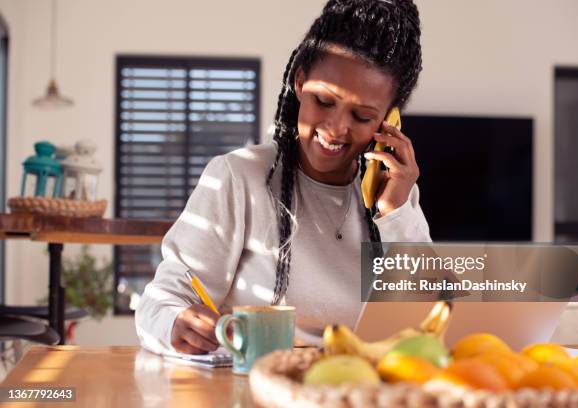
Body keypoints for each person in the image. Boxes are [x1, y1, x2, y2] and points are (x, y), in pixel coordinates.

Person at [135, 0, 431, 354]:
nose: (336, 128)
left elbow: (429, 323)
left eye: (362, 116)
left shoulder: (391, 195)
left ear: (388, 119)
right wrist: (176, 322)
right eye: (323, 101)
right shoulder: (238, 177)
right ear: (300, 80)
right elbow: (161, 301)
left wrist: (396, 213)